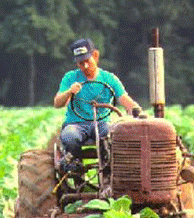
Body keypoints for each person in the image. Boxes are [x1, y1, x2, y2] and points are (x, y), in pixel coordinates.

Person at [53, 38, 141, 171]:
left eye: (87, 61)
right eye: (80, 63)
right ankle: (74, 165)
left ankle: (108, 166)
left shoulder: (109, 78)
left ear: (95, 56)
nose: (85, 67)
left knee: (111, 135)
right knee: (70, 136)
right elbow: (57, 103)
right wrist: (69, 92)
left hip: (101, 123)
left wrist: (137, 111)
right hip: (76, 124)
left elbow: (125, 99)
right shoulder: (70, 77)